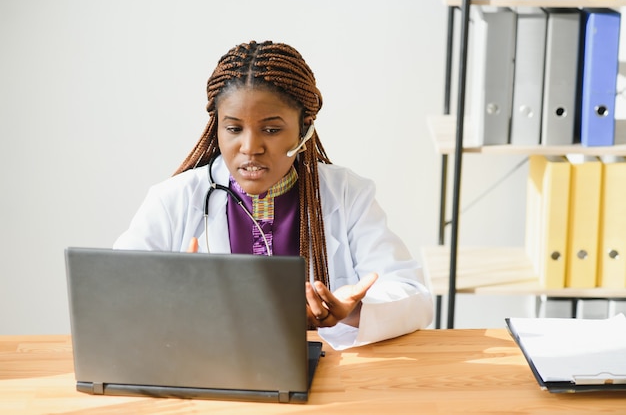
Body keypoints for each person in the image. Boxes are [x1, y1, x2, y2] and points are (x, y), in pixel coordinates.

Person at [114, 40, 433, 350]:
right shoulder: (173, 200)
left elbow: (414, 297)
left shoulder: (347, 195)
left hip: (323, 384)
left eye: (271, 129)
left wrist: (353, 311)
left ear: (304, 128)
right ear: (217, 129)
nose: (250, 147)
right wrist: (173, 296)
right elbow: (114, 297)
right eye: (234, 128)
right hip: (207, 378)